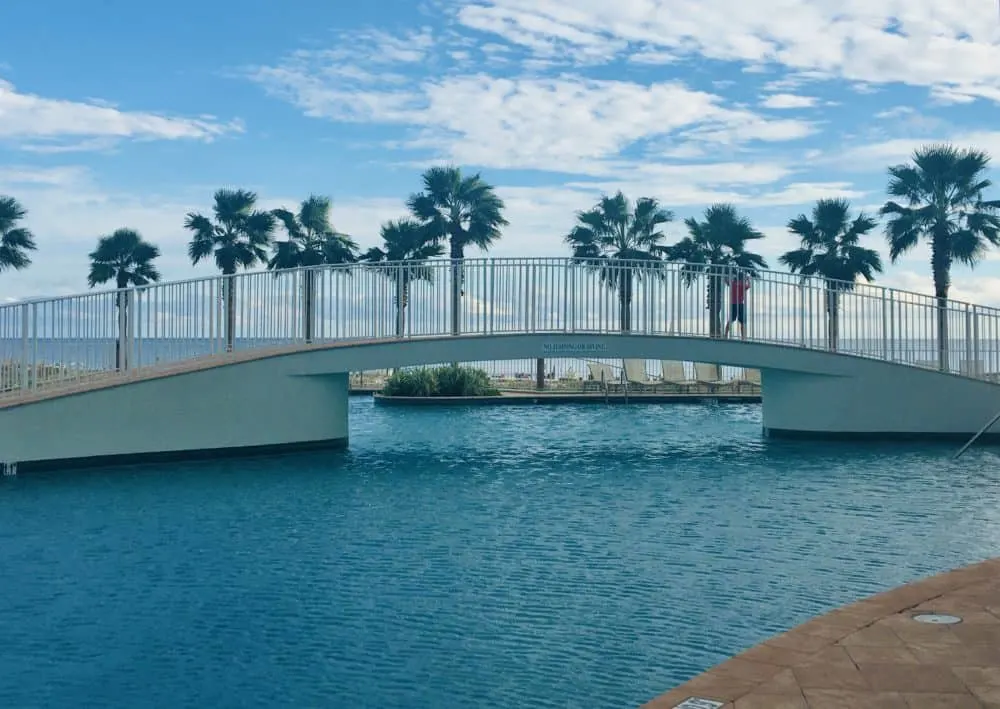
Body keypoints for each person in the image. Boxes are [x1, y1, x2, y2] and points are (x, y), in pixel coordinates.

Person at [724, 270, 751, 340]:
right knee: (742, 321)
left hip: (733, 304)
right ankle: (743, 337)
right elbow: (749, 286)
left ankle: (725, 334)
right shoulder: (742, 285)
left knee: (731, 319)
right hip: (740, 304)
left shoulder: (733, 283)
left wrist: (729, 277)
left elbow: (726, 282)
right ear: (742, 278)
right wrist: (748, 279)